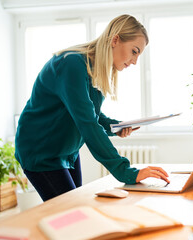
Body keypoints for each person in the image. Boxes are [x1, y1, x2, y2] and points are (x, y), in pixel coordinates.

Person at [15, 14, 169, 202]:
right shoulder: (71, 64)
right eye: (134, 51)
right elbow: (87, 123)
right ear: (115, 40)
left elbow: (91, 114)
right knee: (70, 214)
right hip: (41, 150)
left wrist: (115, 126)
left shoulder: (98, 68)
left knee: (74, 213)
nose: (135, 61)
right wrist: (126, 172)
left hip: (66, 151)